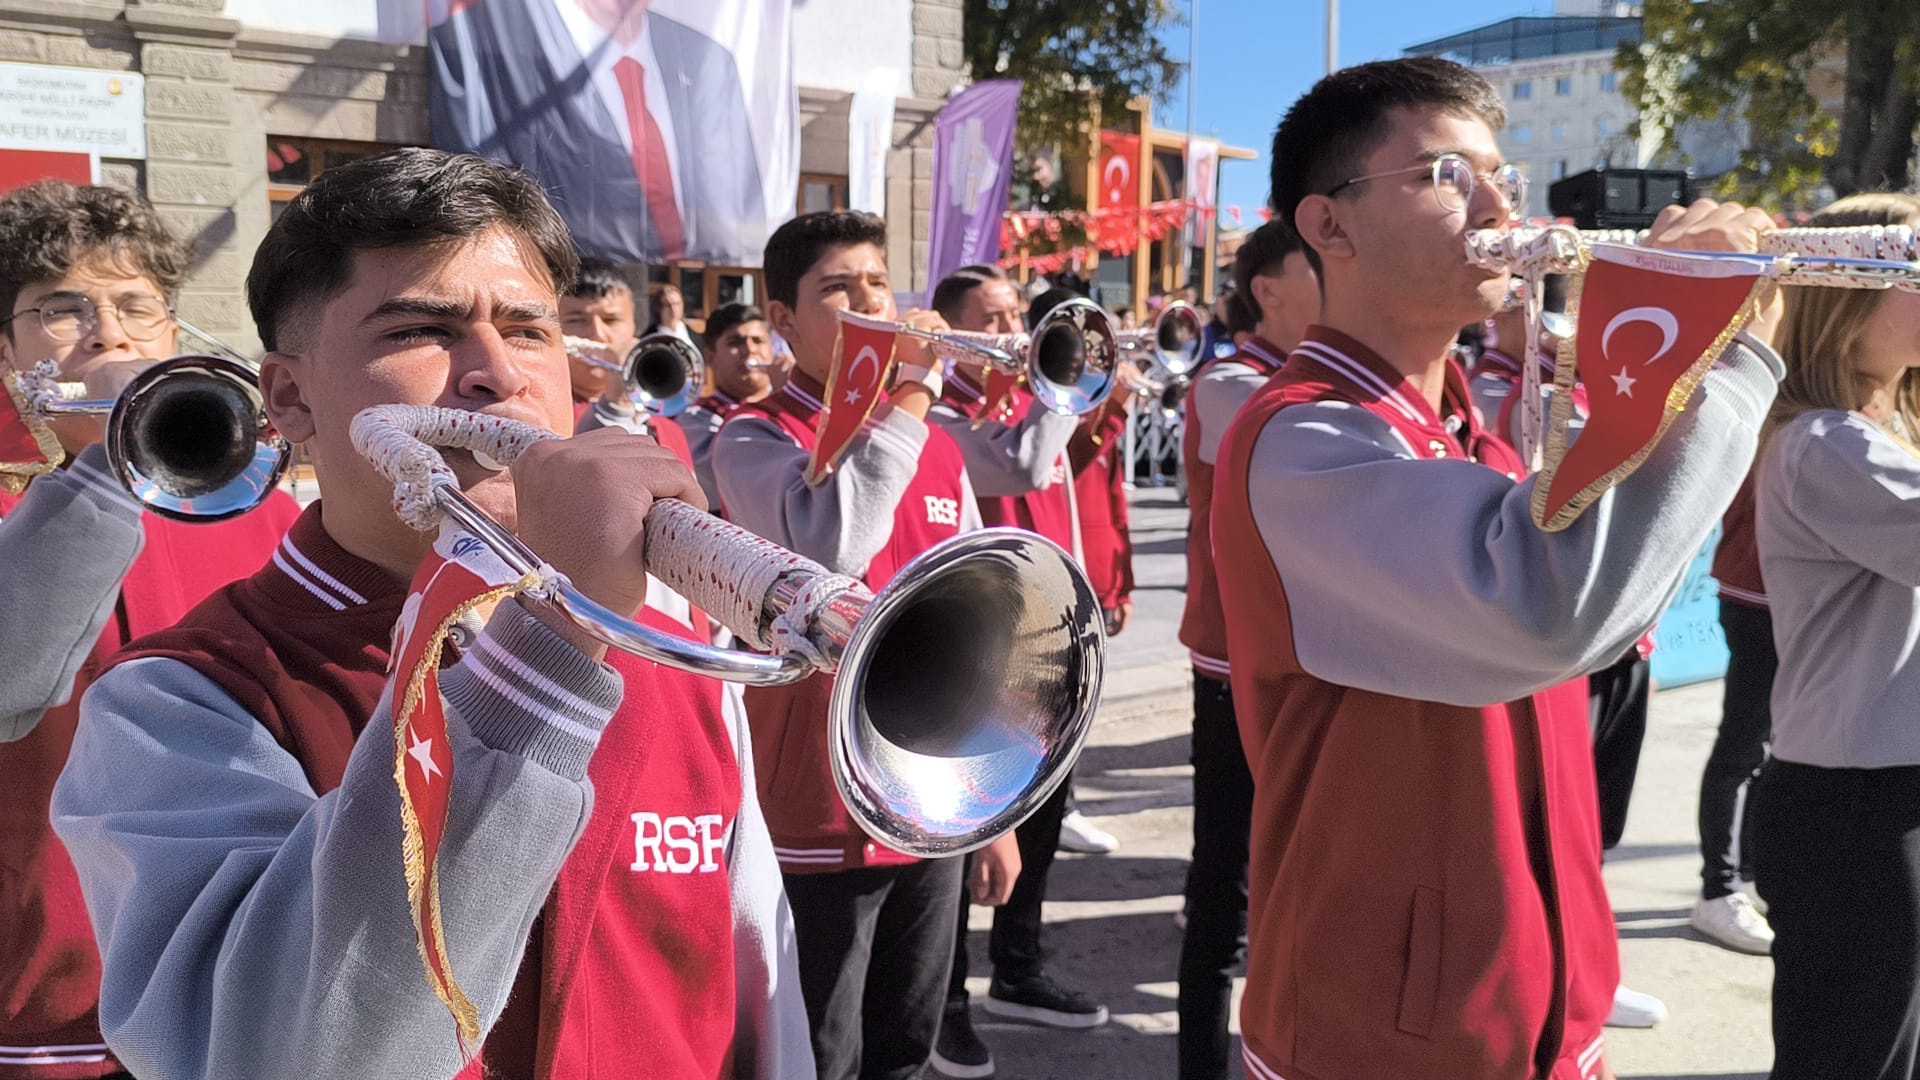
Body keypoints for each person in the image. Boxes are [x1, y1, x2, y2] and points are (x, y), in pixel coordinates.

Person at [50, 148, 810, 1080]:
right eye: (423, 329)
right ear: (288, 397)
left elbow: (756, 992)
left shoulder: (669, 648)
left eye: (531, 331)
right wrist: (547, 658)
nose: (498, 375)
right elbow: (293, 1056)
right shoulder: (175, 701)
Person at [1214, 58, 1781, 1080]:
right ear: (1328, 226)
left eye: (1502, 178)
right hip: (1387, 1032)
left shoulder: (1467, 428)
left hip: (1542, 1000)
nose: (1497, 207)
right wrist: (1718, 353)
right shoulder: (1304, 442)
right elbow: (1547, 613)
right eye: (1444, 175)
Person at [0, 181, 300, 1080]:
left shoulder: (255, 506)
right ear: (7, 352)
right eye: (63, 308)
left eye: (137, 305)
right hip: (48, 989)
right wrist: (100, 461)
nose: (109, 332)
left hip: (228, 994)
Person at [710, 210, 978, 1080]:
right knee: (818, 1051)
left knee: (907, 1043)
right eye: (837, 288)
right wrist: (907, 396)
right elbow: (828, 545)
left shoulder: (933, 443)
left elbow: (980, 622)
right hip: (814, 806)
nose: (869, 303)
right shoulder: (749, 441)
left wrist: (989, 808)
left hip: (930, 800)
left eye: (876, 282)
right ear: (783, 320)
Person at [1748, 191, 1920, 1080]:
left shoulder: (1887, 432)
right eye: (1912, 267)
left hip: (1879, 792)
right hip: (1856, 808)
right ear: (1844, 293)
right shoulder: (1826, 442)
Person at [1468, 283, 1672, 1029]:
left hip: (1622, 634)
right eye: (1549, 300)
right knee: (1549, 825)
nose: (1566, 319)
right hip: (1561, 635)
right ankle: (1556, 976)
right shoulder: (1495, 390)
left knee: (1599, 818)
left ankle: (1587, 964)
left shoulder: (1579, 385)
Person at [922, 270, 1103, 1080]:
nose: (1014, 329)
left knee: (1044, 815)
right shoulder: (948, 415)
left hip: (1059, 638)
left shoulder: (1027, 400)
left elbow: (1076, 489)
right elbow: (1025, 470)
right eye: (991, 318)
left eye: (1013, 316)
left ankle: (1018, 968)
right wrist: (1063, 387)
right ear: (957, 330)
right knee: (970, 831)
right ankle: (948, 1003)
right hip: (988, 653)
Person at [1172, 219, 1318, 1080]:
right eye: (1320, 264)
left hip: (1316, 667)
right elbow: (1298, 448)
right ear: (1267, 289)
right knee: (1222, 889)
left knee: (1306, 878)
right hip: (1237, 668)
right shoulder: (1232, 382)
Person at [429, 0, 767, 263]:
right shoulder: (497, 45)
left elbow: (737, 198)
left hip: (691, 264)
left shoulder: (708, 60)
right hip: (556, 267)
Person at [1691, 474, 1777, 955]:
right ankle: (1718, 890)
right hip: (1758, 596)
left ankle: (1747, 876)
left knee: (1773, 747)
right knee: (1744, 748)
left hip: (1781, 596)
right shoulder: (1790, 415)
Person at [562, 257, 698, 474]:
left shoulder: (668, 429)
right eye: (576, 320)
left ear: (634, 325)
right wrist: (617, 402)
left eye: (611, 320)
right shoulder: (545, 417)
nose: (598, 335)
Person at [675, 300, 788, 508]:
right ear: (711, 358)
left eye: (758, 340)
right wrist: (786, 405)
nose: (749, 349)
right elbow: (747, 475)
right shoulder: (695, 417)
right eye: (735, 342)